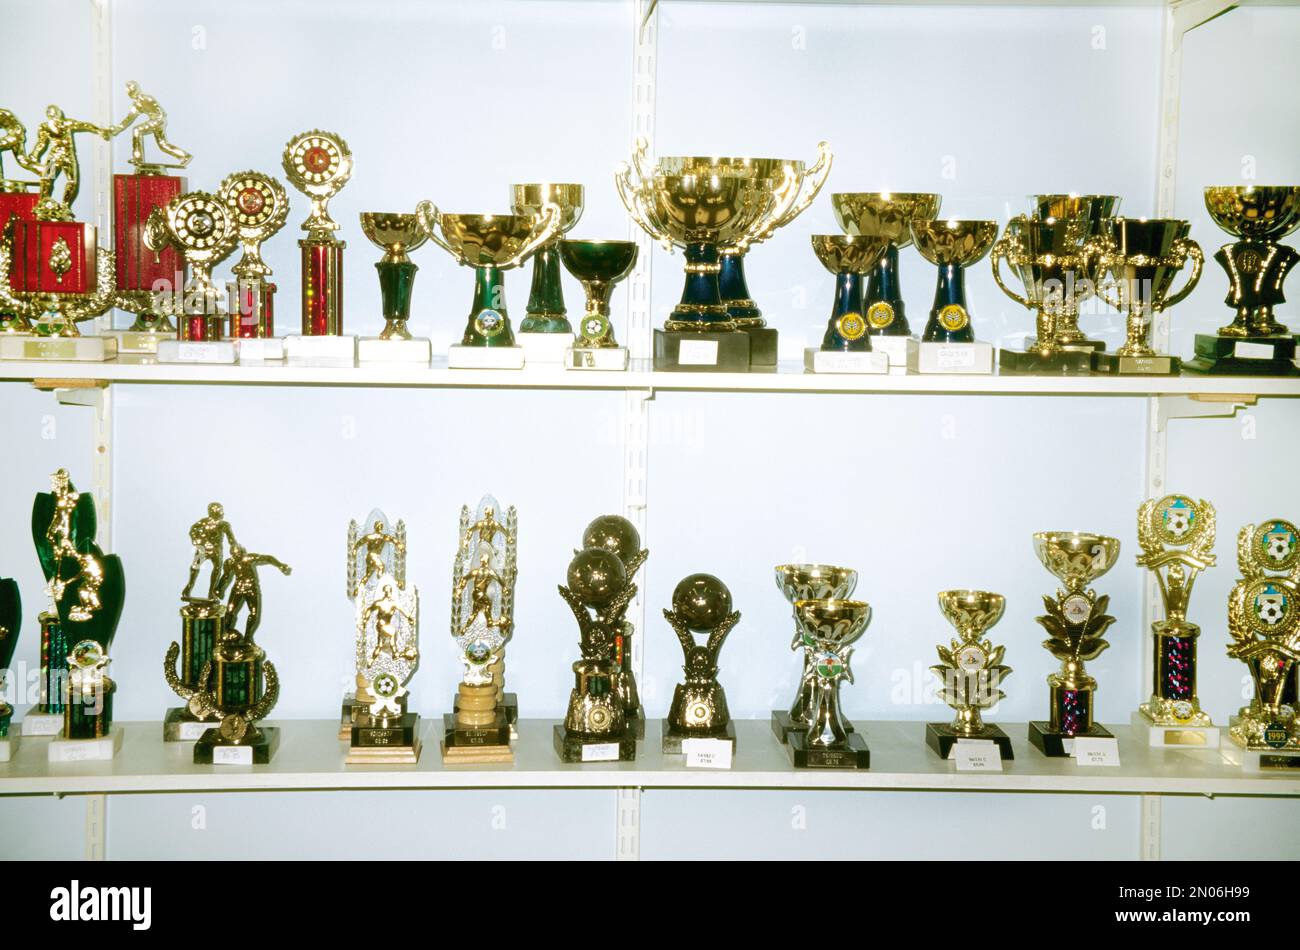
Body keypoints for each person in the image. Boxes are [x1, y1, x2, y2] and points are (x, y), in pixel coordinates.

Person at [26, 105, 108, 210]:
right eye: (51, 113)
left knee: (72, 181)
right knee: (46, 180)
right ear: (48, 115)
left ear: (59, 113)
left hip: (68, 156)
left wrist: (99, 130)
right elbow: (41, 143)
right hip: (54, 156)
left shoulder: (66, 123)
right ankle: (42, 204)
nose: (54, 115)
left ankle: (65, 206)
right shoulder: (44, 127)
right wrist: (34, 154)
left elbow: (84, 125)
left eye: (55, 113)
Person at [106, 81, 191, 170]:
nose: (128, 93)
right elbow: (128, 120)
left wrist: (159, 120)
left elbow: (160, 111)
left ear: (134, 90)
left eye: (129, 90)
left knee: (137, 130)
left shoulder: (147, 98)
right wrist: (116, 130)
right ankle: (185, 156)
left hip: (158, 120)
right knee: (163, 145)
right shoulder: (136, 105)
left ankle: (138, 158)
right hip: (156, 121)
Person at [220, 545, 291, 648]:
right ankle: (225, 634)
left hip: (251, 588)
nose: (238, 555)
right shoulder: (229, 563)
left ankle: (247, 637)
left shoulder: (248, 558)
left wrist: (280, 565)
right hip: (238, 589)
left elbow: (268, 558)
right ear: (232, 554)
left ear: (242, 552)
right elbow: (226, 576)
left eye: (239, 553)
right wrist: (219, 588)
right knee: (229, 611)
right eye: (235, 554)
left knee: (254, 613)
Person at [183, 503, 237, 602]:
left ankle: (211, 592)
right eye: (220, 510)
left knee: (217, 569)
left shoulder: (224, 524)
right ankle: (188, 588)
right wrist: (197, 541)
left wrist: (235, 547)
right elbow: (193, 530)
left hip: (216, 550)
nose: (222, 512)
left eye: (221, 510)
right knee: (195, 567)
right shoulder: (204, 522)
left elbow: (231, 539)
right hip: (203, 549)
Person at [363, 583, 416, 663]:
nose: (389, 593)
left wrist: (409, 617)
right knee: (392, 632)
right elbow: (369, 609)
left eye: (390, 591)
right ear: (385, 592)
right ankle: (395, 653)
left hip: (386, 625)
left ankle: (372, 660)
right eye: (388, 592)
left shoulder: (393, 603)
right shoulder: (379, 603)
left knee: (380, 645)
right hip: (381, 625)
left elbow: (402, 610)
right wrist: (365, 620)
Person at [352, 521, 404, 591]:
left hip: (371, 556)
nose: (380, 527)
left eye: (381, 526)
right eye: (379, 526)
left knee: (368, 575)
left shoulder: (381, 537)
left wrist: (399, 545)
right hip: (372, 555)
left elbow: (392, 539)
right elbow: (360, 542)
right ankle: (385, 583)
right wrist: (354, 550)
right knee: (381, 567)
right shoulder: (373, 537)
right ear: (376, 527)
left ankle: (358, 589)